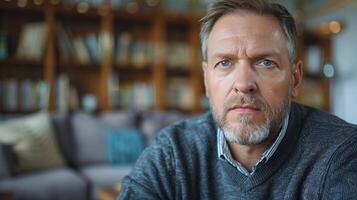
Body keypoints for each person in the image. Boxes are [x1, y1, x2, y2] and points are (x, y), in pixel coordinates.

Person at [118, 0, 357, 199]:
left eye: (265, 62)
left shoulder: (343, 153)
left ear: (295, 80)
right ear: (206, 80)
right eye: (224, 63)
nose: (243, 84)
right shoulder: (173, 152)